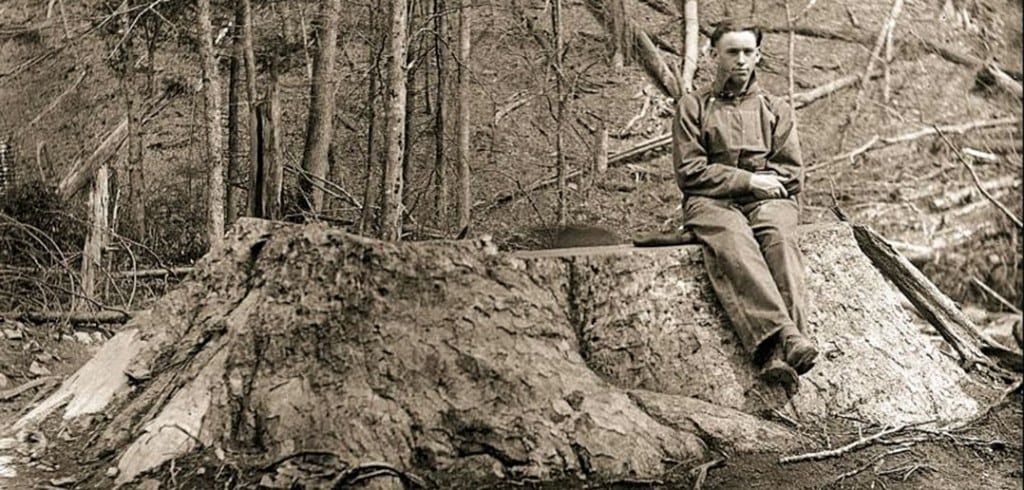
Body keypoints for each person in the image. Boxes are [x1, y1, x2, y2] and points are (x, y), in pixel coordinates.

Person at [672, 19, 818, 386]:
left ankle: (779, 354)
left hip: (770, 201)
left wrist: (765, 187)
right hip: (711, 202)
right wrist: (748, 180)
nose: (740, 60)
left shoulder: (775, 108)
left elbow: (792, 174)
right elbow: (689, 173)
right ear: (712, 54)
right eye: (732, 52)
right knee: (735, 244)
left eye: (748, 52)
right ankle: (788, 339)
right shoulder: (693, 107)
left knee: (780, 241)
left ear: (758, 56)